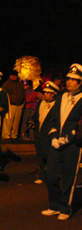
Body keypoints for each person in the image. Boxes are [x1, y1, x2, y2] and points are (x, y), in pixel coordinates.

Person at [42, 63, 82, 221]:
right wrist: (53, 137)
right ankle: (54, 205)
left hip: (72, 145)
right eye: (68, 79)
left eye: (74, 79)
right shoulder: (61, 97)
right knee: (50, 175)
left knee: (68, 177)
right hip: (55, 143)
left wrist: (68, 138)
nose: (69, 82)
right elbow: (53, 120)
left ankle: (65, 207)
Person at [31, 81, 59, 184]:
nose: (45, 94)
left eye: (48, 93)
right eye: (45, 92)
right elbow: (35, 116)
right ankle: (42, 175)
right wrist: (32, 121)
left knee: (48, 156)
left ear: (53, 94)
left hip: (48, 135)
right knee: (40, 155)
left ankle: (51, 175)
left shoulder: (56, 106)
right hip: (38, 134)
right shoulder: (40, 103)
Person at [1, 70, 24, 140]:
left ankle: (14, 135)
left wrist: (23, 103)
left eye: (15, 75)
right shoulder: (7, 84)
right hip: (10, 105)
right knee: (8, 121)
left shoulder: (20, 84)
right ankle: (6, 135)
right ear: (10, 76)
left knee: (16, 122)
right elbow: (3, 94)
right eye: (13, 75)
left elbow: (23, 94)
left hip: (19, 105)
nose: (14, 77)